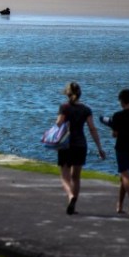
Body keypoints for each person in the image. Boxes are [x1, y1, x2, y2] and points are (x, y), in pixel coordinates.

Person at [55, 81, 106, 215]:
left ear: (67, 93)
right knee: (76, 178)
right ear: (79, 93)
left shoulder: (64, 107)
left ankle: (70, 196)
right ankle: (73, 205)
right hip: (80, 145)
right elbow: (92, 128)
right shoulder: (86, 109)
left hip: (65, 144)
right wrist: (100, 148)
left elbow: (59, 123)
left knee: (64, 176)